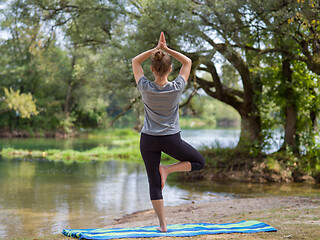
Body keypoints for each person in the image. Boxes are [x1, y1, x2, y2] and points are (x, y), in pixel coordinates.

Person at [132, 32, 205, 232]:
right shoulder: (176, 87)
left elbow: (135, 62)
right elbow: (188, 62)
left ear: (152, 69)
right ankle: (168, 169)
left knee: (154, 183)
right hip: (171, 139)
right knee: (200, 162)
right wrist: (166, 49)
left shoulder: (145, 87)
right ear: (170, 69)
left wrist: (155, 50)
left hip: (148, 140)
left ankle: (163, 226)